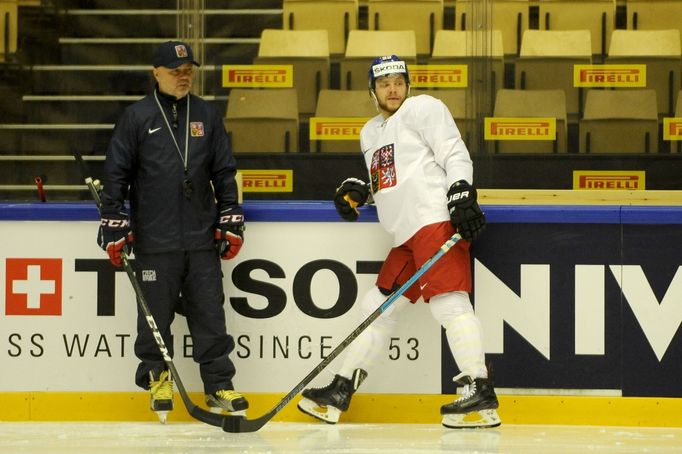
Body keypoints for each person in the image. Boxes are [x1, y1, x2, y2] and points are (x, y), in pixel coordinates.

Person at [297, 55, 500, 429]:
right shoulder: (370, 132)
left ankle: (479, 388)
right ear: (372, 90)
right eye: (384, 83)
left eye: (398, 81)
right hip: (405, 235)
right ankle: (340, 389)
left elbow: (454, 152)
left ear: (408, 84)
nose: (393, 88)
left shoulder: (424, 108)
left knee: (450, 304)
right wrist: (363, 191)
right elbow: (391, 179)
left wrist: (460, 191)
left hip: (434, 221)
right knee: (377, 308)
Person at [96, 40, 248, 422]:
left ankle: (218, 386)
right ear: (156, 73)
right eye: (175, 71)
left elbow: (224, 170)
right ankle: (157, 379)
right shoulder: (136, 117)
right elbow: (115, 173)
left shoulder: (207, 115)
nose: (184, 76)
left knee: (210, 315)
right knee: (154, 316)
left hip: (200, 237)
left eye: (188, 70)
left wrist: (230, 212)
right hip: (154, 237)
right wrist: (113, 219)